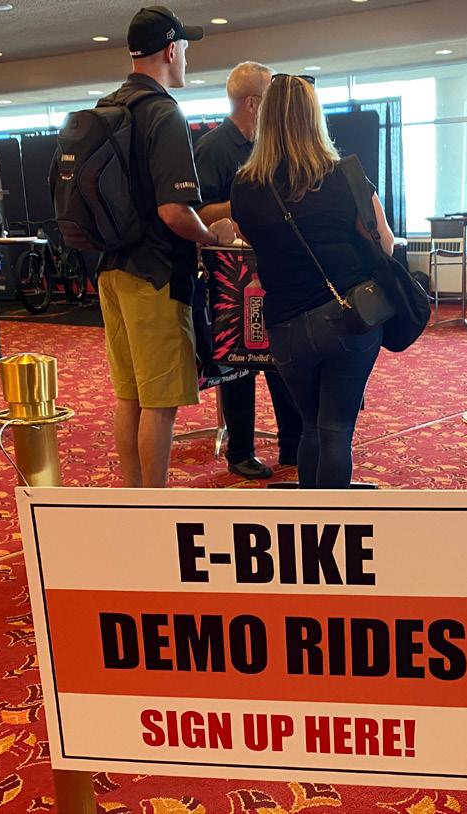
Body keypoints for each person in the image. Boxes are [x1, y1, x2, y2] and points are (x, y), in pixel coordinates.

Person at [231, 75, 394, 489]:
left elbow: (249, 238)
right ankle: (333, 522)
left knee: (310, 427)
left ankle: (309, 518)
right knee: (336, 430)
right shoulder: (344, 175)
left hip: (285, 325)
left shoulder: (246, 186)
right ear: (315, 117)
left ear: (265, 118)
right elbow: (384, 243)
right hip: (348, 316)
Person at [97, 6, 236, 488]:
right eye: (186, 49)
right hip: (155, 275)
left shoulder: (108, 106)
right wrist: (211, 236)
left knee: (130, 395)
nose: (187, 59)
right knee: (159, 401)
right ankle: (152, 508)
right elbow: (174, 212)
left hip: (111, 269)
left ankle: (135, 498)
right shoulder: (163, 112)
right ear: (171, 50)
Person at [194, 61, 303, 480]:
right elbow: (197, 212)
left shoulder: (271, 144)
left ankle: (292, 443)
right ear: (254, 103)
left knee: (281, 357)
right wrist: (246, 201)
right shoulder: (213, 148)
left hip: (271, 266)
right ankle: (240, 451)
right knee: (238, 365)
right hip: (231, 275)